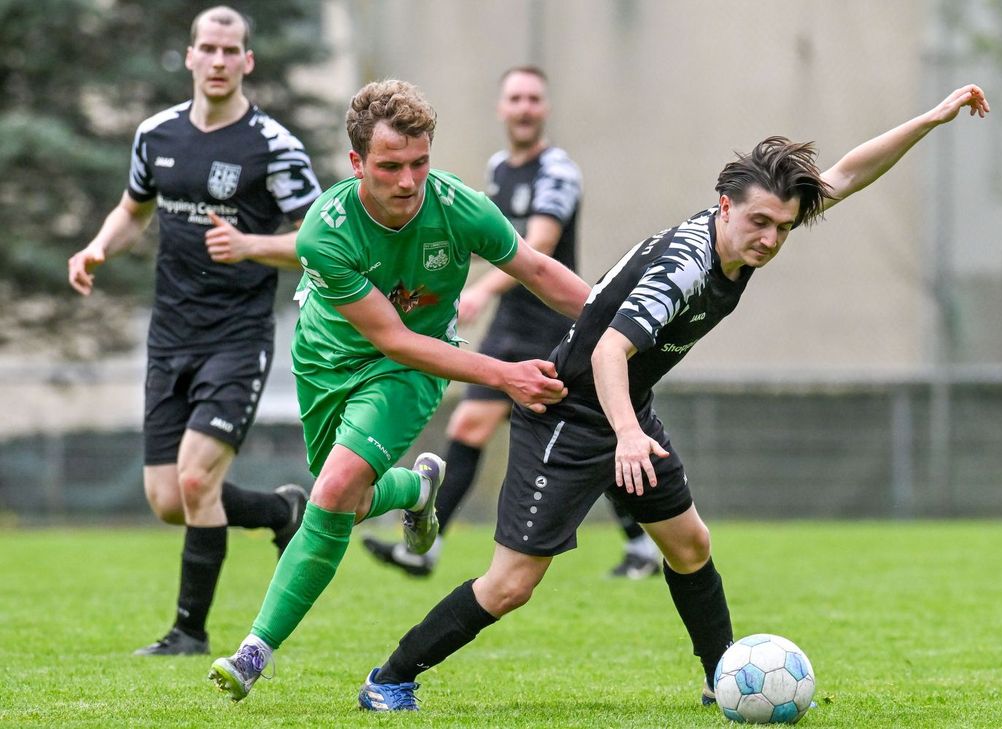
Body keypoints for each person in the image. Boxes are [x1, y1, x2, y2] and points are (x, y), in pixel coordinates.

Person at [352, 84, 991, 712]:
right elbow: (608, 352)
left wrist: (931, 119)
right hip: (568, 416)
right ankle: (391, 677)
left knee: (689, 545)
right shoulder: (685, 267)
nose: (769, 239)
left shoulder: (748, 237)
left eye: (782, 228)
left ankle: (724, 680)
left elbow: (848, 173)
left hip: (624, 405)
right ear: (724, 206)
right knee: (511, 584)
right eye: (758, 222)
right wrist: (629, 436)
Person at [207, 78, 591, 701]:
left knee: (330, 492)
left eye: (420, 163)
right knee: (349, 504)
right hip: (327, 363)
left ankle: (254, 651)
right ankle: (416, 488)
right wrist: (505, 373)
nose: (408, 182)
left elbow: (538, 271)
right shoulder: (324, 232)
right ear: (357, 162)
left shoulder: (458, 207)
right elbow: (389, 334)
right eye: (390, 166)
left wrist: (627, 324)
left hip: (410, 369)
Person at [66, 6, 322, 656]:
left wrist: (253, 245)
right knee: (167, 497)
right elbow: (133, 210)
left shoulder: (273, 146)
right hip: (170, 334)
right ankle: (279, 509)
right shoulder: (156, 135)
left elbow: (322, 238)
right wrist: (96, 249)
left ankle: (189, 631)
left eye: (229, 50)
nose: (216, 60)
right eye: (206, 48)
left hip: (237, 336)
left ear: (247, 62)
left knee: (195, 479)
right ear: (189, 57)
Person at [361, 66, 662, 580]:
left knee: (593, 428)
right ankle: (425, 548)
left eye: (533, 99)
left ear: (544, 109)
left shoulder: (558, 171)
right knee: (469, 425)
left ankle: (643, 543)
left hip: (555, 324)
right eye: (515, 98)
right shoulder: (500, 168)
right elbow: (482, 241)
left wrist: (480, 290)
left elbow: (537, 248)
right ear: (502, 108)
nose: (523, 107)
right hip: (511, 324)